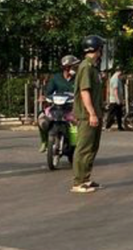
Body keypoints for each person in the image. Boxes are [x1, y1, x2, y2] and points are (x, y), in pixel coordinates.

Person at [72, 35, 105, 194]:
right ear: (97, 49)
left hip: (95, 113)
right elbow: (85, 92)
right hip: (87, 114)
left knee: (92, 147)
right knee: (84, 147)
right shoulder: (85, 67)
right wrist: (91, 113)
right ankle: (78, 182)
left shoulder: (93, 67)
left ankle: (86, 178)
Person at [38, 54, 79, 153]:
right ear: (67, 67)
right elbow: (48, 92)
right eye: (74, 66)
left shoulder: (78, 78)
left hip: (72, 109)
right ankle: (44, 141)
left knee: (78, 124)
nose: (76, 68)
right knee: (41, 119)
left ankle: (76, 146)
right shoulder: (56, 78)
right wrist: (44, 97)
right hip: (56, 108)